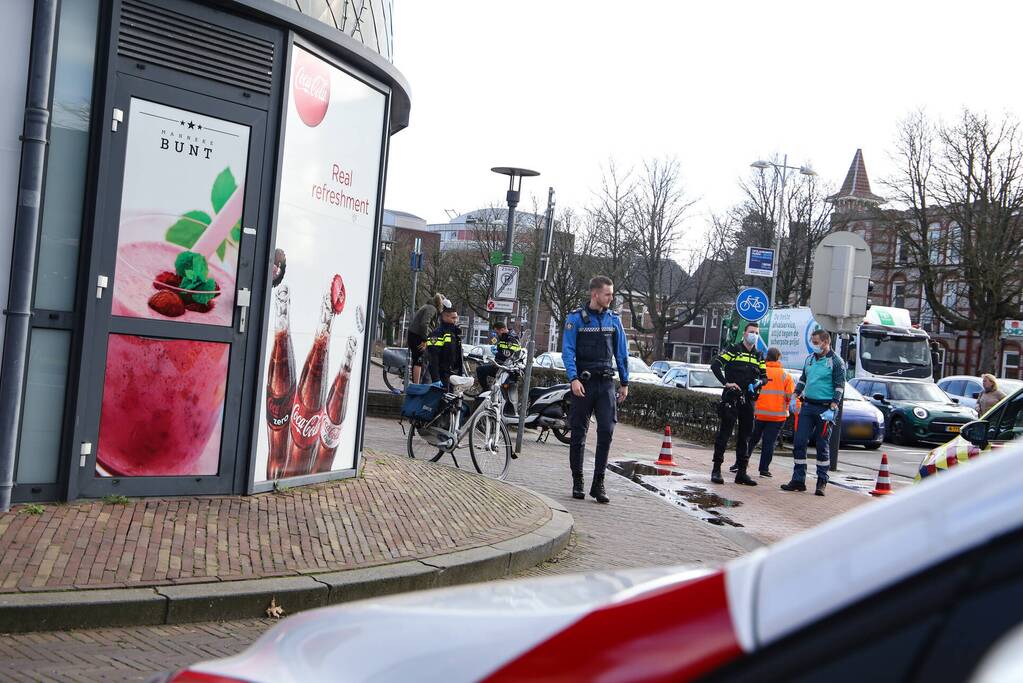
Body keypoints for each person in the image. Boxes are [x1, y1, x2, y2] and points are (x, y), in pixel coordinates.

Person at [562, 276, 629, 504]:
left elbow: (621, 353)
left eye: (612, 294)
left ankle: (598, 483)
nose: (611, 298)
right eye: (607, 294)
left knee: (606, 432)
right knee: (578, 433)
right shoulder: (575, 319)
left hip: (606, 384)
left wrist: (625, 382)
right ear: (595, 294)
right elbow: (568, 351)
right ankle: (578, 480)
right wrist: (573, 379)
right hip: (583, 383)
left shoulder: (614, 320)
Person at [782, 329, 846, 497]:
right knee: (799, 442)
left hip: (825, 408)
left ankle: (821, 481)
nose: (813, 345)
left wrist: (833, 405)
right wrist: (795, 394)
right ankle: (798, 480)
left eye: (816, 342)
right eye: (812, 342)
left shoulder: (836, 362)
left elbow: (840, 385)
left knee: (822, 445)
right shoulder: (809, 359)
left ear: (826, 342)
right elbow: (803, 379)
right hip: (808, 406)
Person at [710, 322, 768, 486]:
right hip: (732, 398)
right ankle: (716, 470)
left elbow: (764, 376)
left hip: (748, 400)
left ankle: (742, 473)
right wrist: (726, 383)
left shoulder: (758, 355)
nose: (754, 335)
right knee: (724, 434)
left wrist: (759, 382)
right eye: (751, 332)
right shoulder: (733, 349)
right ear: (744, 333)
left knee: (745, 437)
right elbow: (715, 365)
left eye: (757, 333)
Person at [735, 347, 795, 478]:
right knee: (769, 443)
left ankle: (740, 464)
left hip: (759, 413)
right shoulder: (786, 376)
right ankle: (764, 470)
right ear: (778, 358)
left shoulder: (760, 372)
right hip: (777, 416)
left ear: (767, 357)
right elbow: (790, 396)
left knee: (751, 440)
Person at [426, 299, 465, 390]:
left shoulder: (454, 333)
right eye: (453, 318)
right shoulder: (437, 333)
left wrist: (461, 372)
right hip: (442, 374)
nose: (456, 320)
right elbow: (433, 357)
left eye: (456, 318)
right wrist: (436, 378)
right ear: (445, 317)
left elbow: (458, 355)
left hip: (453, 374)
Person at [476, 319, 521, 393]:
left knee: (480, 370)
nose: (497, 334)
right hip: (505, 367)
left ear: (502, 330)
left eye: (497, 332)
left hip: (504, 368)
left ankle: (485, 391)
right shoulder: (507, 337)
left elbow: (507, 356)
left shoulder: (510, 339)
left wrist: (496, 359)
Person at [408, 293, 445, 383]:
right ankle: (416, 385)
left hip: (414, 335)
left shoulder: (428, 306)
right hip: (417, 336)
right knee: (418, 361)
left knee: (418, 360)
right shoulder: (431, 309)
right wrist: (425, 339)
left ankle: (417, 383)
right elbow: (424, 324)